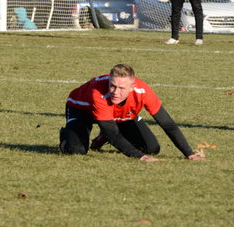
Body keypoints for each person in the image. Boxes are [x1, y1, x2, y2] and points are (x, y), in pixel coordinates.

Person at [59, 64, 203, 161]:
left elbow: (168, 124)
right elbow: (113, 133)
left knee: (151, 148)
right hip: (82, 110)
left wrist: (189, 153)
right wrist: (140, 157)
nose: (115, 92)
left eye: (122, 88)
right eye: (112, 86)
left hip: (118, 115)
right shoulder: (98, 92)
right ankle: (67, 135)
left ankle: (103, 136)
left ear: (132, 87)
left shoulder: (143, 91)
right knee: (76, 150)